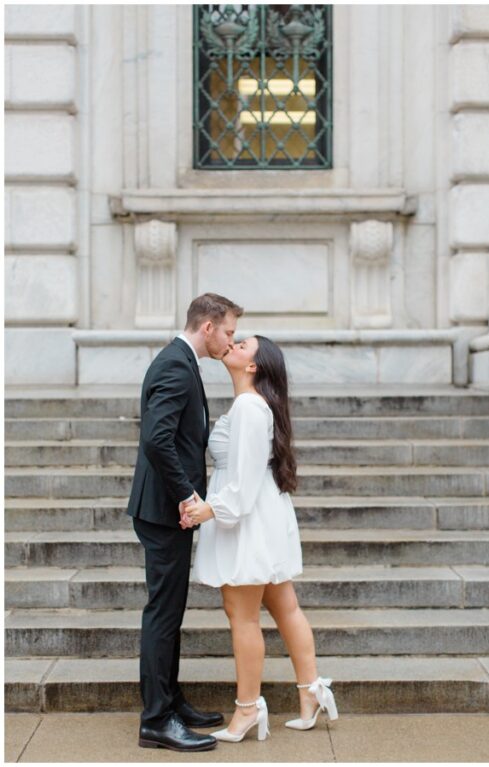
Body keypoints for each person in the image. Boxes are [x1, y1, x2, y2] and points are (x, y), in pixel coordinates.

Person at [180, 334, 338, 743]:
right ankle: (311, 691)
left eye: (243, 344)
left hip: (246, 517)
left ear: (254, 365)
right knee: (284, 605)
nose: (232, 344)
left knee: (242, 614)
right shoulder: (252, 404)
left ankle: (248, 708)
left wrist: (212, 509)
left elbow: (245, 474)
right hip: (259, 511)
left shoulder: (250, 405)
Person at [128, 292, 242, 752]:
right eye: (229, 332)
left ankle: (171, 701)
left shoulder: (180, 360)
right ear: (209, 326)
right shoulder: (177, 364)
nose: (230, 342)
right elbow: (157, 439)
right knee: (163, 613)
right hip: (163, 510)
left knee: (169, 612)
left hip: (163, 509)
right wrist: (188, 495)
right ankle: (156, 719)